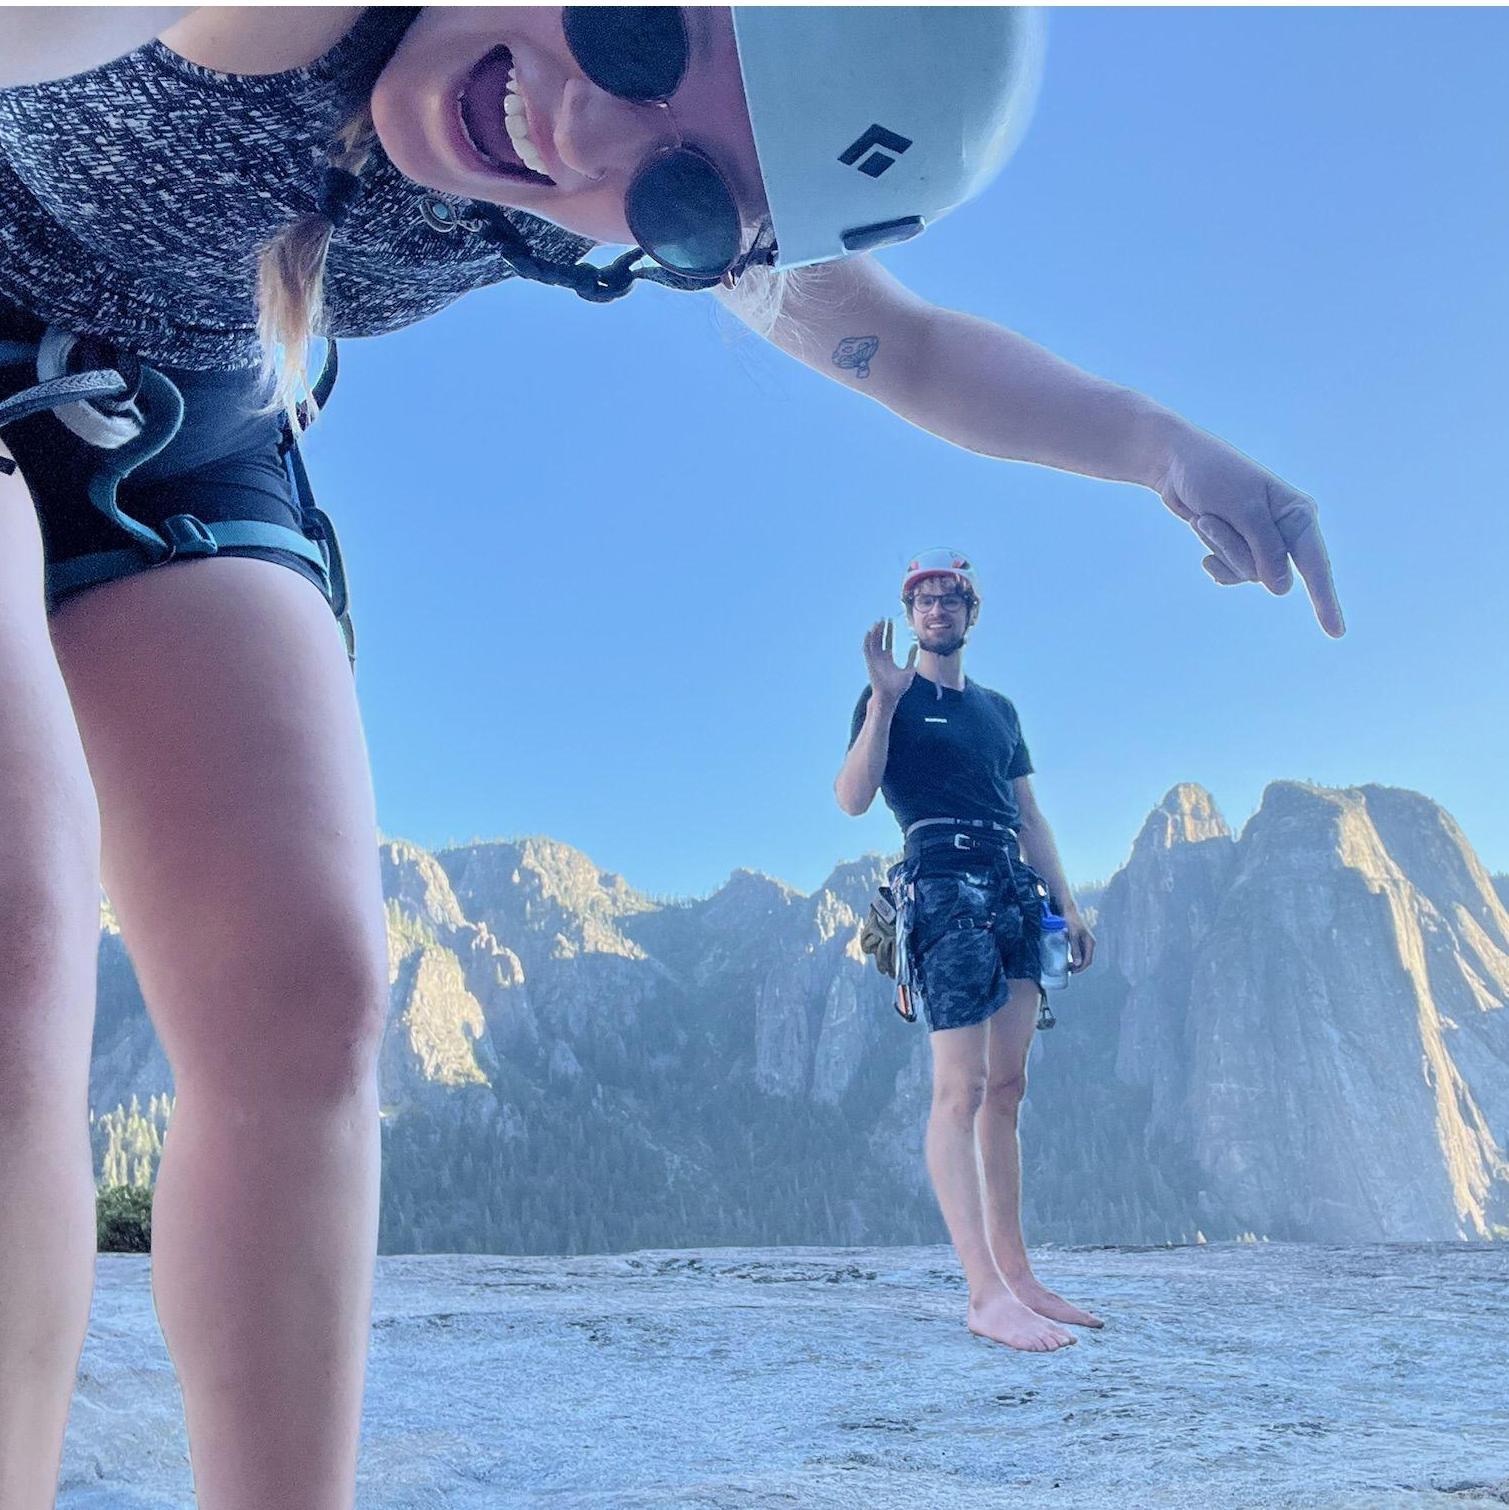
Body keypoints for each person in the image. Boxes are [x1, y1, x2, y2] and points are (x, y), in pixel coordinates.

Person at [0, 8, 1344, 1505]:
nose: (588, 137)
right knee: (15, 919)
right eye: (636, 32)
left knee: (306, 991)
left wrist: (1163, 446)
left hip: (193, 420)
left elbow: (899, 344)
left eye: (685, 203)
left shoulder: (599, 190)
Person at [836, 548, 1098, 1353]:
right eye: (922, 601)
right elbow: (851, 799)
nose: (935, 611)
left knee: (1008, 1086)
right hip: (941, 880)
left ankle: (1018, 1277)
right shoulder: (889, 696)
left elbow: (1028, 813)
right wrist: (882, 706)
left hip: (1011, 884)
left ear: (969, 614)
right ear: (909, 616)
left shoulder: (998, 711)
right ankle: (982, 1295)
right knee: (961, 1087)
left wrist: (1066, 899)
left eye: (950, 599)